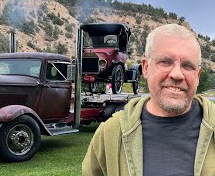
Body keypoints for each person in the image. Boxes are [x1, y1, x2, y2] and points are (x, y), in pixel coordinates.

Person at [82, 24, 215, 176]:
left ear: (197, 76)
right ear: (145, 68)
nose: (177, 74)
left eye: (188, 65)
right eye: (165, 62)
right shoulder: (110, 134)